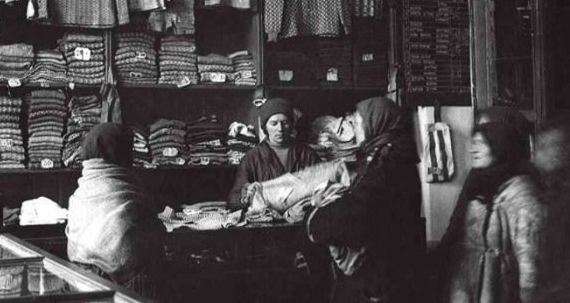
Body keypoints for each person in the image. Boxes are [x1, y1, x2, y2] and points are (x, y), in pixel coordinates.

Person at [306, 96, 422, 303]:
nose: (355, 127)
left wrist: (317, 216)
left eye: (359, 122)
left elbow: (358, 216)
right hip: (386, 273)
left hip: (381, 279)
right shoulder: (387, 157)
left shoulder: (388, 165)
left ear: (377, 123)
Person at [439, 121, 546, 303]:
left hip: (499, 287)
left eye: (481, 143)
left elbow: (530, 253)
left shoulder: (522, 192)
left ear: (501, 146)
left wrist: (530, 295)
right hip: (466, 283)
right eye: (473, 143)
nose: (473, 149)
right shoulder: (478, 184)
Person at [66, 123, 163, 298]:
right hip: (129, 289)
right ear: (120, 152)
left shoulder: (79, 193)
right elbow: (154, 239)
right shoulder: (130, 194)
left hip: (83, 285)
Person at [227, 97, 321, 209]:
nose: (280, 128)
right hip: (267, 218)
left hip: (301, 216)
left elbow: (324, 187)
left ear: (291, 125)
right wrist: (245, 197)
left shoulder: (307, 154)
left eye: (285, 123)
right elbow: (233, 200)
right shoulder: (252, 158)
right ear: (265, 127)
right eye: (274, 123)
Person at [532, 116, 570, 302]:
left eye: (546, 147)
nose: (536, 156)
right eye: (539, 147)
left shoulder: (563, 197)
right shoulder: (547, 191)